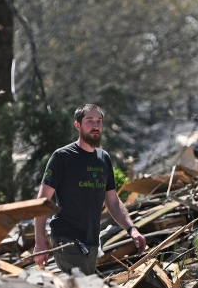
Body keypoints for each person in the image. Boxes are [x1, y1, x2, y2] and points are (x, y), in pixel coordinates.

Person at [34, 104, 147, 275]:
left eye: (99, 121)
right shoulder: (62, 157)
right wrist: (40, 242)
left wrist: (132, 229)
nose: (95, 126)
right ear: (77, 125)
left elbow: (113, 202)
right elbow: (43, 201)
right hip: (66, 238)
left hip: (91, 241)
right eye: (89, 121)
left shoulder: (104, 158)